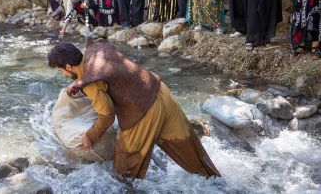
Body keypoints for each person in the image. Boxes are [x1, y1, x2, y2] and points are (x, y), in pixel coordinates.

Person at [47, 40, 221, 181]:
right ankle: (220, 185)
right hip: (159, 90)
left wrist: (90, 136)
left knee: (124, 174)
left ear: (69, 67)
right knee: (196, 160)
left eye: (61, 70)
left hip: (143, 113)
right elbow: (109, 73)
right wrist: (79, 82)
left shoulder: (91, 82)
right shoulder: (97, 49)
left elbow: (107, 115)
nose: (62, 74)